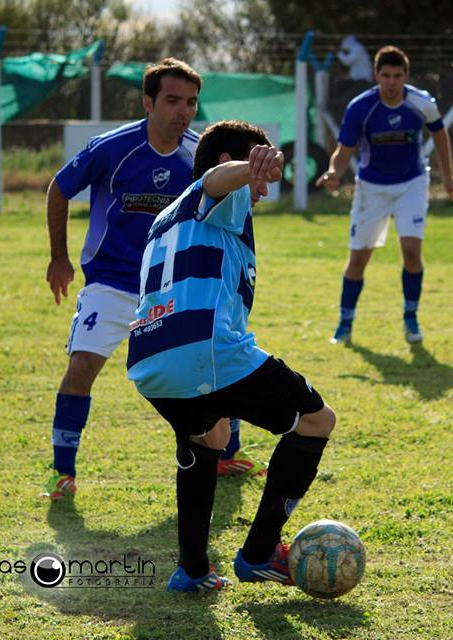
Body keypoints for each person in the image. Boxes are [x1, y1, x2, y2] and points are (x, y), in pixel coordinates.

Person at [126, 120, 336, 592]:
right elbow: (216, 180)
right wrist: (251, 167)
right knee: (316, 421)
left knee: (210, 435)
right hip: (204, 349)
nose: (263, 188)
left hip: (149, 359)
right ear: (232, 162)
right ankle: (259, 554)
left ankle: (192, 570)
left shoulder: (166, 219)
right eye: (258, 173)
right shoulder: (223, 193)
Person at [42, 58, 259, 501]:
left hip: (172, 286)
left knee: (215, 357)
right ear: (148, 102)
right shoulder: (112, 148)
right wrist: (59, 257)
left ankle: (225, 454)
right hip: (112, 282)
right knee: (82, 366)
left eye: (191, 102)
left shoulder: (198, 156)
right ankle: (62, 471)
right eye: (173, 100)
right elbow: (59, 189)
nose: (184, 111)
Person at [317, 45, 453, 345]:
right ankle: (345, 323)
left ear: (406, 75)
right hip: (371, 187)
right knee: (359, 258)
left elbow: (440, 134)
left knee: (411, 251)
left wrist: (449, 178)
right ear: (376, 75)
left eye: (397, 76)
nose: (391, 82)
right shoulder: (360, 107)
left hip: (412, 183)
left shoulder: (421, 103)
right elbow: (344, 152)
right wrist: (334, 172)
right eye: (386, 75)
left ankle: (411, 318)